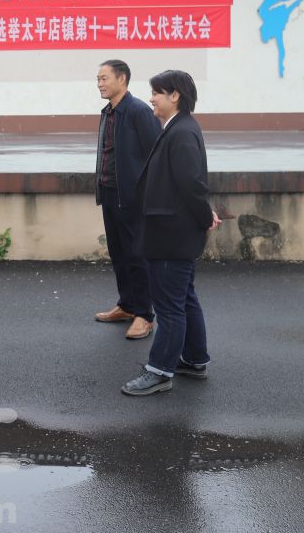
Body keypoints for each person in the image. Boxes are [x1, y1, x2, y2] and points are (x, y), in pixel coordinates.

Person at [122, 70, 222, 397]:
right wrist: (204, 214)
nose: (151, 98)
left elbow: (192, 185)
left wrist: (205, 215)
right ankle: (193, 359)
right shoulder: (179, 128)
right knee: (183, 298)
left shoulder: (181, 132)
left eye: (156, 93)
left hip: (171, 236)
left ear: (174, 95)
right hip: (173, 234)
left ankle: (159, 370)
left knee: (169, 307)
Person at [94, 59, 160, 340]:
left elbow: (156, 154)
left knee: (136, 255)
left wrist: (149, 194)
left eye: (105, 78)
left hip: (133, 197)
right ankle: (127, 304)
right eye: (98, 79)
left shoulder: (138, 111)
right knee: (118, 253)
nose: (100, 83)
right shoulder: (108, 112)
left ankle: (145, 315)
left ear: (122, 79)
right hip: (110, 192)